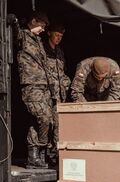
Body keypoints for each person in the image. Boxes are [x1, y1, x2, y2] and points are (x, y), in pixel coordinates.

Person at [17, 11, 55, 169]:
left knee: (41, 121)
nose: (43, 29)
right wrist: (14, 20)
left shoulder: (39, 41)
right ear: (33, 21)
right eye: (42, 25)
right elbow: (11, 32)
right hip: (31, 85)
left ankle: (34, 157)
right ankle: (39, 150)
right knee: (44, 118)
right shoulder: (22, 36)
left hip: (44, 86)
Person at [43, 23, 71, 163]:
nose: (59, 38)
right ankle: (44, 153)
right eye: (56, 35)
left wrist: (66, 83)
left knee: (58, 125)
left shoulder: (60, 51)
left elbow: (63, 72)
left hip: (59, 95)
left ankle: (55, 154)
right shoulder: (41, 49)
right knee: (46, 122)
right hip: (46, 93)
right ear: (49, 33)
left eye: (61, 36)